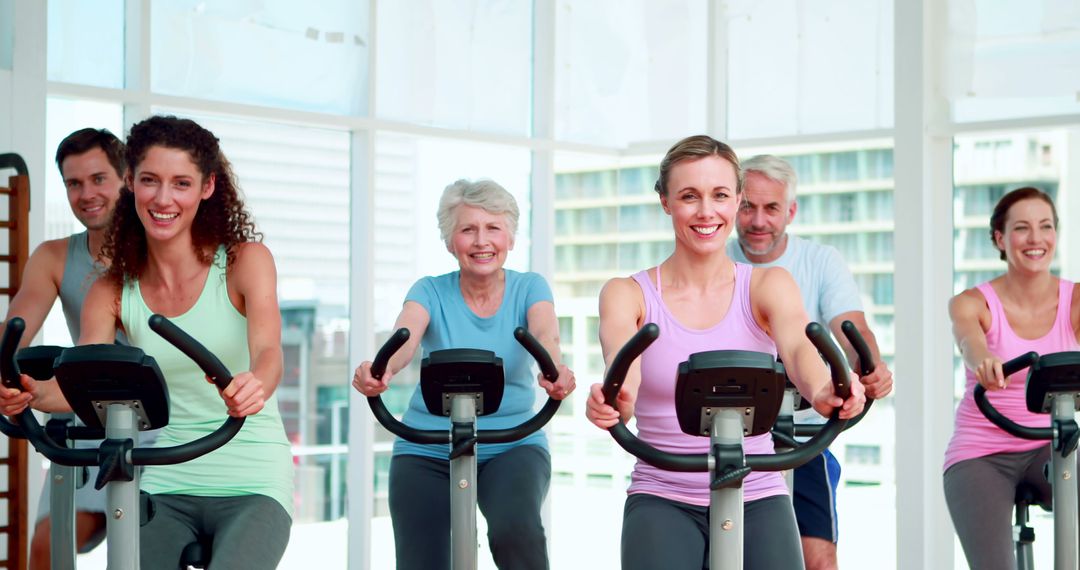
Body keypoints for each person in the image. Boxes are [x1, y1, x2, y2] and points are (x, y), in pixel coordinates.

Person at [0, 115, 294, 569]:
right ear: (131, 185)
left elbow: (269, 352)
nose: (163, 198)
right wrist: (36, 393)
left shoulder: (244, 262)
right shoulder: (111, 289)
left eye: (181, 183)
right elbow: (85, 385)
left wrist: (256, 383)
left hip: (252, 474)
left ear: (207, 187)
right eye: (150, 181)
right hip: (167, 476)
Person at [585, 135, 865, 570]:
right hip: (664, 492)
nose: (705, 211)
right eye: (688, 196)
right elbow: (624, 368)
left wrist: (825, 389)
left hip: (757, 493)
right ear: (665, 202)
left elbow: (798, 348)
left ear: (736, 200)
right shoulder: (628, 294)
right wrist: (617, 399)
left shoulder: (768, 285)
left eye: (719, 195)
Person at [352, 179, 575, 570]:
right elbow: (405, 336)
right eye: (468, 229)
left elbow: (546, 335)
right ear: (450, 240)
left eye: (493, 228)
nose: (481, 241)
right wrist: (381, 369)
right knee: (423, 556)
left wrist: (553, 369)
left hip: (512, 441)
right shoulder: (430, 291)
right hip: (428, 443)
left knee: (514, 530)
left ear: (510, 236)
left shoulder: (529, 287)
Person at [727, 154, 894, 570]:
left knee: (818, 560)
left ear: (791, 211)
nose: (758, 221)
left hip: (802, 435)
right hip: (728, 431)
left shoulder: (820, 261)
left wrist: (868, 364)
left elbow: (850, 329)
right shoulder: (716, 258)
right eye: (747, 206)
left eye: (771, 208)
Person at [2, 127, 129, 568]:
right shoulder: (54, 256)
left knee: (144, 547)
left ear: (126, 179)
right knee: (46, 547)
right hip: (86, 413)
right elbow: (14, 327)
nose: (86, 194)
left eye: (98, 179)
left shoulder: (159, 251)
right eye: (74, 183)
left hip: (161, 418)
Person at [944, 186, 1079, 570]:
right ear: (1000, 239)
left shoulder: (1076, 302)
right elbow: (970, 340)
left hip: (1054, 441)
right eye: (1022, 228)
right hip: (982, 451)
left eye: (1045, 226)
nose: (1036, 239)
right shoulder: (972, 302)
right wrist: (983, 360)